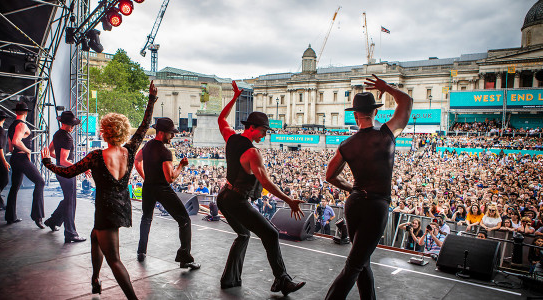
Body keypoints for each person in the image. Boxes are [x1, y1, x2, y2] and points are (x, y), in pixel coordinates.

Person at [41, 81, 157, 299]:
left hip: (106, 209)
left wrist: (47, 161)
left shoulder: (96, 156)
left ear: (104, 132)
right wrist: (151, 100)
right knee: (95, 237)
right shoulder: (130, 151)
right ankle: (95, 279)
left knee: (114, 259)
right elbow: (144, 125)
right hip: (123, 206)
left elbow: (67, 172)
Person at [324, 74, 413, 300]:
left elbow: (330, 175)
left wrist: (352, 188)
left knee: (362, 261)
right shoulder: (386, 134)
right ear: (375, 112)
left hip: (354, 204)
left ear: (354, 115)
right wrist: (386, 87)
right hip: (376, 205)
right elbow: (407, 102)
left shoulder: (347, 144)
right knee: (355, 264)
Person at [217, 81, 306, 296]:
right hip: (236, 200)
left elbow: (221, 119)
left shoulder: (231, 138)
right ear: (252, 128)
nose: (265, 134)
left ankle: (229, 279)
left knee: (244, 234)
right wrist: (289, 200)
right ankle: (282, 281)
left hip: (225, 196)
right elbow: (265, 183)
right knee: (271, 234)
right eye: (264, 130)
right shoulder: (252, 153)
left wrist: (235, 96)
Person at [134, 117, 200, 270]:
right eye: (171, 133)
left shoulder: (147, 145)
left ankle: (141, 251)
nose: (173, 136)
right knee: (184, 220)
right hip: (162, 189)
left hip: (148, 187)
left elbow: (137, 161)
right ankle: (185, 259)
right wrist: (181, 166)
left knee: (146, 217)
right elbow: (170, 178)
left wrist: (146, 177)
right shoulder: (165, 152)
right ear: (162, 133)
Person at [43, 111, 87, 243]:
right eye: (71, 124)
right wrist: (81, 168)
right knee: (71, 202)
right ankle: (71, 233)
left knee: (68, 200)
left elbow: (51, 152)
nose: (73, 127)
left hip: (59, 171)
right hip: (67, 172)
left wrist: (60, 161)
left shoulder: (57, 134)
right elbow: (63, 160)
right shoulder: (67, 138)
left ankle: (53, 221)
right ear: (66, 124)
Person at [6, 102, 45, 228]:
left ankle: (10, 217)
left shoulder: (11, 126)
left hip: (15, 158)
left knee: (15, 187)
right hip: (22, 158)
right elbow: (15, 141)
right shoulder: (22, 125)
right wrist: (28, 151)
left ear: (16, 112)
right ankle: (37, 217)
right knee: (40, 182)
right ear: (26, 112)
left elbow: (11, 148)